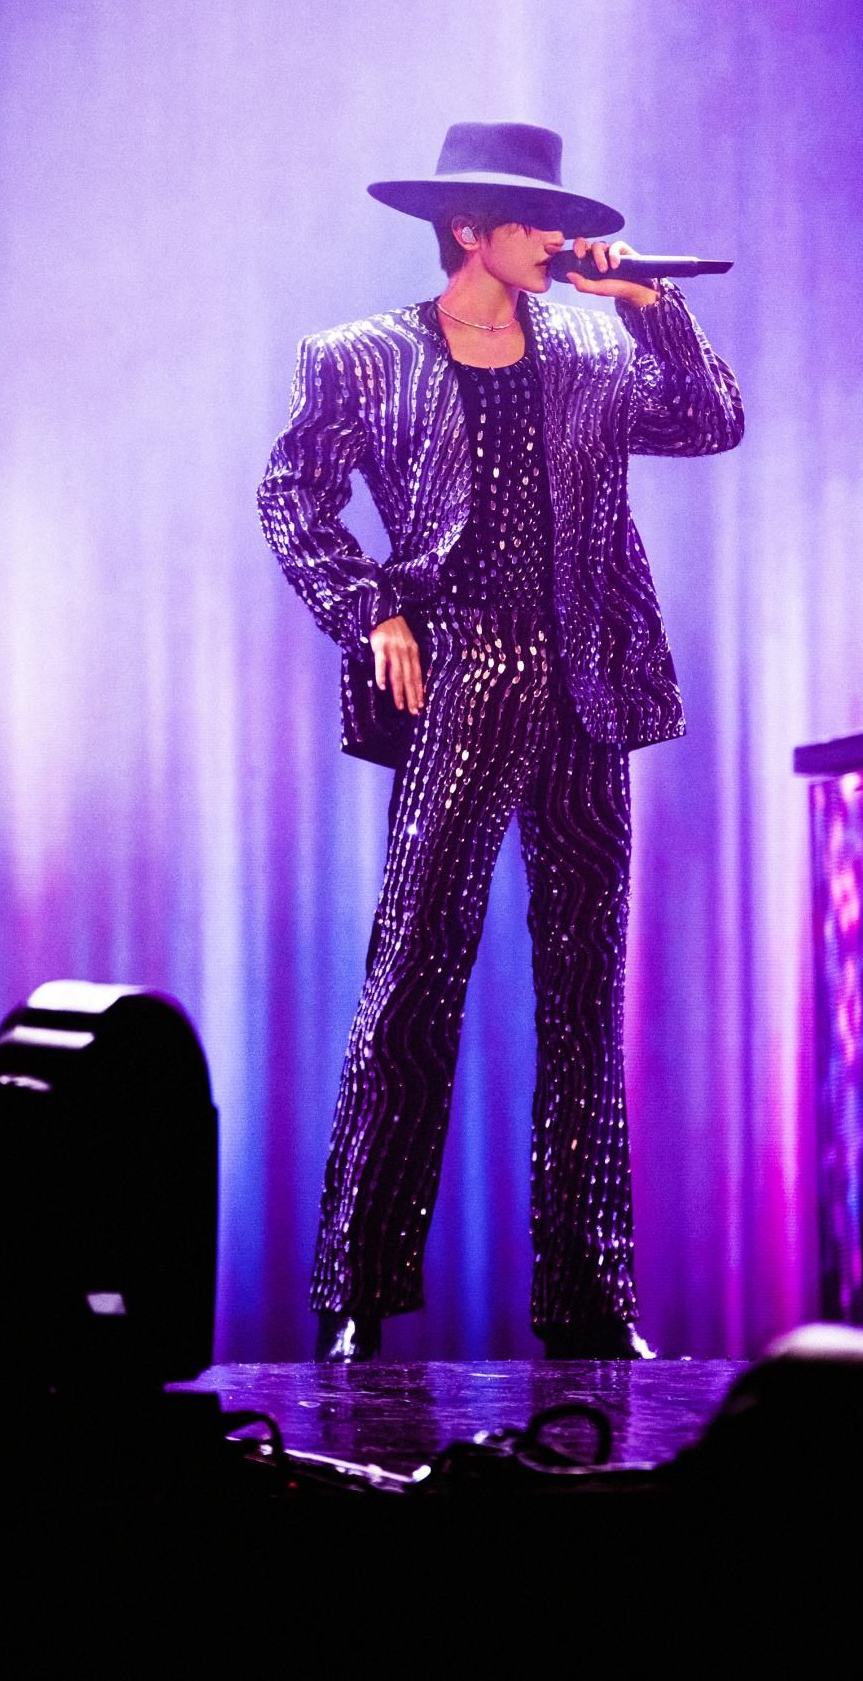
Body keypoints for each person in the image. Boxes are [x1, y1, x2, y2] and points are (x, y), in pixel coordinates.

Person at [258, 122, 744, 1361]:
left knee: (587, 995)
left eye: (558, 220)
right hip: (461, 671)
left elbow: (710, 423)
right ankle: (358, 1289)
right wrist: (370, 610)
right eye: (532, 221)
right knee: (415, 977)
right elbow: (290, 494)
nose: (555, 239)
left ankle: (592, 1298)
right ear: (470, 230)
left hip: (585, 678)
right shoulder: (362, 355)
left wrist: (652, 309)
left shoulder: (590, 344)